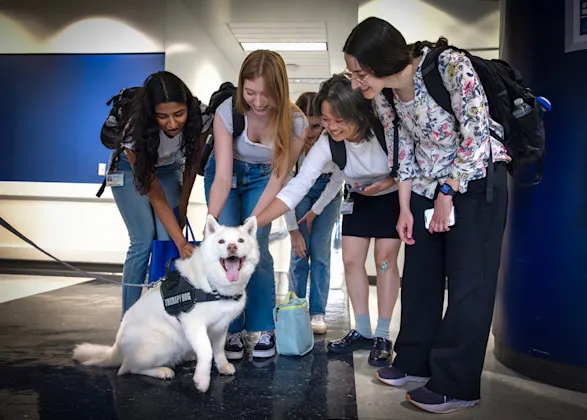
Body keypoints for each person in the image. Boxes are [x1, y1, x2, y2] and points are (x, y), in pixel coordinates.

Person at [343, 17, 510, 414]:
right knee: (420, 275)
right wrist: (404, 208)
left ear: (384, 61)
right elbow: (403, 154)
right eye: (351, 74)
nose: (355, 84)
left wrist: (449, 191)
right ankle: (415, 360)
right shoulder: (383, 97)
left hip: (475, 179)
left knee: (470, 283)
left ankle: (456, 384)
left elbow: (476, 133)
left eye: (359, 73)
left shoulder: (448, 66)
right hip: (423, 186)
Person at [255, 74, 402, 367]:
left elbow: (411, 164)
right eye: (325, 119)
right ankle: (361, 329)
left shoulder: (384, 130)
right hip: (359, 198)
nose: (331, 126)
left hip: (392, 195)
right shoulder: (328, 142)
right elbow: (297, 186)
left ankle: (383, 335)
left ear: (358, 114)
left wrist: (387, 183)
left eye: (338, 119)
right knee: (350, 261)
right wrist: (254, 223)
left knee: (385, 260)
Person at [204, 50, 307, 360]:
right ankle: (231, 329)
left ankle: (263, 328)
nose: (259, 101)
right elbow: (222, 176)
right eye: (250, 92)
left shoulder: (296, 122)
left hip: (265, 178)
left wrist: (251, 225)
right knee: (224, 251)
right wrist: (211, 220)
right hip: (227, 174)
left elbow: (279, 178)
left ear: (281, 89)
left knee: (253, 247)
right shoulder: (226, 112)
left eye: (267, 93)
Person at [110, 71, 210, 316]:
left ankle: (168, 316)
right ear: (150, 114)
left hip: (170, 168)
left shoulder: (201, 115)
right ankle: (129, 322)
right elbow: (154, 194)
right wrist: (182, 241)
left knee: (167, 237)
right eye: (162, 117)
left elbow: (191, 165)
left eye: (179, 114)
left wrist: (183, 207)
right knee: (143, 239)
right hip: (129, 169)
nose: (172, 123)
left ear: (188, 107)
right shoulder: (135, 128)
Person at [285, 92, 343, 335]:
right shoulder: (289, 142)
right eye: (305, 126)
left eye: (317, 125)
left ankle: (318, 311)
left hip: (328, 194)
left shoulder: (336, 141)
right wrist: (292, 230)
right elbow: (285, 190)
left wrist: (314, 211)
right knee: (299, 252)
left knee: (320, 251)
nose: (310, 133)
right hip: (297, 191)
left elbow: (337, 180)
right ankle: (295, 306)